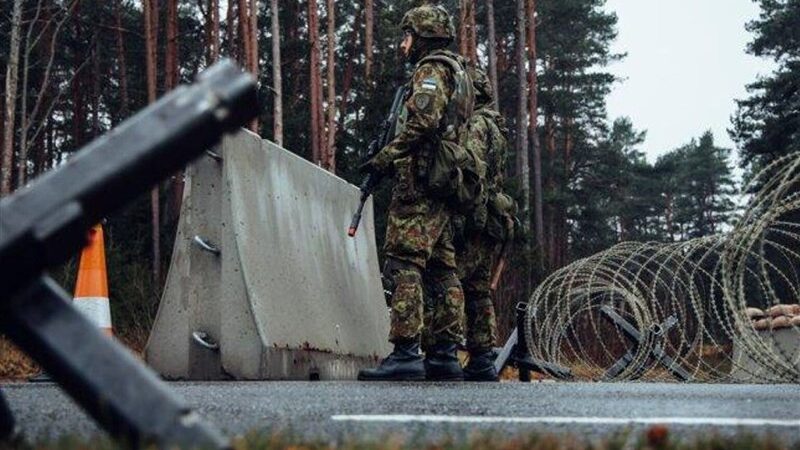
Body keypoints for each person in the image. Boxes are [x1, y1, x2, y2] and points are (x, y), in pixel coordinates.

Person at [357, 4, 474, 382]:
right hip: (441, 183)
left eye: (407, 36)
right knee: (442, 269)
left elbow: (422, 122)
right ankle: (444, 354)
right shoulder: (457, 71)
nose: (403, 44)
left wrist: (384, 158)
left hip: (420, 184)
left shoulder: (431, 70)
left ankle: (406, 352)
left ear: (422, 36)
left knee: (404, 262)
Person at [455, 68, 513, 382]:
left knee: (451, 281)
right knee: (478, 291)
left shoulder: (476, 124)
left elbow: (470, 167)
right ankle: (481, 356)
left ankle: (445, 351)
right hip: (489, 217)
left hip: (474, 216)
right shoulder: (496, 126)